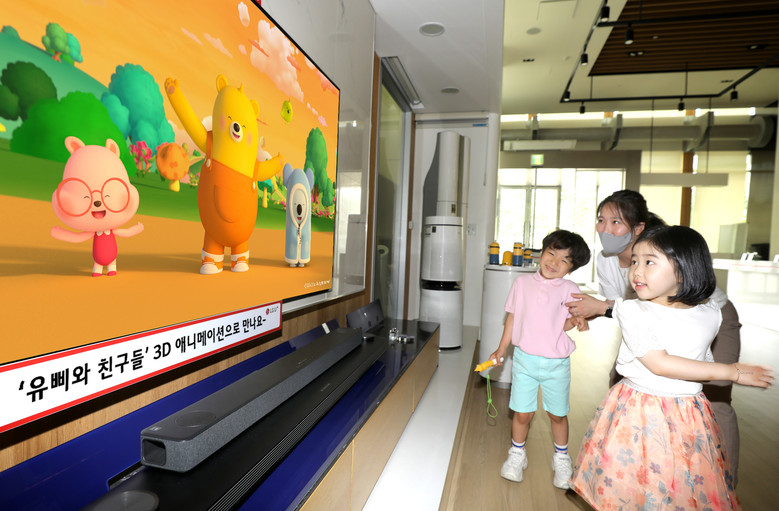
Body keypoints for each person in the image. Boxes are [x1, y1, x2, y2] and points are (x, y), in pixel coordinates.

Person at [569, 225, 774, 510]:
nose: (636, 271)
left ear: (683, 270)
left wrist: (722, 371)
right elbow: (660, 363)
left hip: (688, 415)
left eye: (649, 262)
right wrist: (732, 371)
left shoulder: (710, 314)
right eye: (635, 261)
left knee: (680, 485)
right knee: (636, 485)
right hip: (640, 413)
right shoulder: (633, 312)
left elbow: (700, 362)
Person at [565, 189, 743, 484]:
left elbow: (621, 308)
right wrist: (589, 311)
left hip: (704, 315)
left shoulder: (666, 254)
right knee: (620, 378)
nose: (605, 229)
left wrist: (599, 306)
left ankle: (719, 481)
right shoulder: (607, 260)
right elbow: (623, 308)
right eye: (601, 220)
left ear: (638, 228)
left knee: (716, 396)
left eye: (616, 222)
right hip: (651, 316)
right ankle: (627, 473)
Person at [489, 229, 591, 489]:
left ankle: (561, 458)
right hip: (525, 360)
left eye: (564, 260)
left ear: (571, 268)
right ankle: (517, 454)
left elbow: (563, 324)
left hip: (557, 364)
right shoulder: (522, 283)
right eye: (551, 253)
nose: (554, 262)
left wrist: (577, 320)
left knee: (557, 414)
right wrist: (501, 349)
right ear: (542, 252)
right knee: (522, 413)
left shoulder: (570, 289)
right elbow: (512, 318)